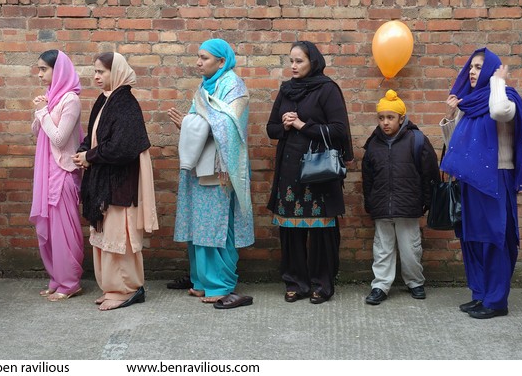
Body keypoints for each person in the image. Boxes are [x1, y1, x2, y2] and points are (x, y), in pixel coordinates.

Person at [440, 47, 522, 319]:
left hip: (495, 179)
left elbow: (500, 111)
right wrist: (450, 116)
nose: (471, 71)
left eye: (479, 67)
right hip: (471, 180)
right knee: (473, 240)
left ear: (492, 70)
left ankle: (496, 301)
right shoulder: (469, 104)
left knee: (496, 239)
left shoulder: (505, 97)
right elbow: (455, 146)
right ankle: (480, 294)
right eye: (470, 66)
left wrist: (498, 82)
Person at [266, 41, 353, 304]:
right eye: (291, 60)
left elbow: (339, 130)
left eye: (299, 61)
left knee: (321, 233)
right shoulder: (286, 90)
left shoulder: (327, 90)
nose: (293, 66)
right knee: (290, 232)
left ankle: (321, 284)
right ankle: (296, 283)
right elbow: (271, 129)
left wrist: (303, 125)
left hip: (319, 173)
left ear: (313, 62)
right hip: (289, 171)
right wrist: (285, 125)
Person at [170, 38, 254, 309]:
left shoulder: (234, 86)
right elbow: (201, 122)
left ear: (221, 61)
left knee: (217, 225)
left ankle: (221, 285)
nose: (198, 62)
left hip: (221, 170)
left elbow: (231, 126)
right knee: (199, 224)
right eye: (198, 56)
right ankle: (202, 281)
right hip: (200, 167)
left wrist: (190, 123)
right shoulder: (204, 87)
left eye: (204, 58)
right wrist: (189, 125)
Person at [72, 52, 158, 311]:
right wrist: (84, 150)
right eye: (95, 71)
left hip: (120, 184)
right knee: (104, 235)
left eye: (102, 72)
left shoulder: (126, 103)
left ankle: (127, 289)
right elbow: (94, 133)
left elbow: (122, 147)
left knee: (118, 238)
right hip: (103, 180)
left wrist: (90, 156)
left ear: (117, 72)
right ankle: (112, 287)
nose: (96, 77)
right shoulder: (105, 99)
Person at [362, 89, 440, 305]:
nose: (385, 122)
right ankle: (380, 285)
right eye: (381, 118)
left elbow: (429, 173)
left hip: (408, 205)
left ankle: (415, 282)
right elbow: (367, 176)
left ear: (401, 118)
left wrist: (427, 201)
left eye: (390, 117)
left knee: (410, 248)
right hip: (381, 206)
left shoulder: (416, 140)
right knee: (382, 248)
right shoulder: (373, 143)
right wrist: (369, 201)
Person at [30, 50, 84, 302]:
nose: (40, 74)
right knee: (51, 230)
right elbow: (37, 133)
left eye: (44, 69)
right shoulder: (52, 98)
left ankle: (70, 282)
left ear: (58, 70)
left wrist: (43, 112)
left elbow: (60, 139)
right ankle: (56, 278)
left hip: (63, 173)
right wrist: (40, 112)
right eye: (39, 69)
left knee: (65, 232)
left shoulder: (70, 100)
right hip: (47, 174)